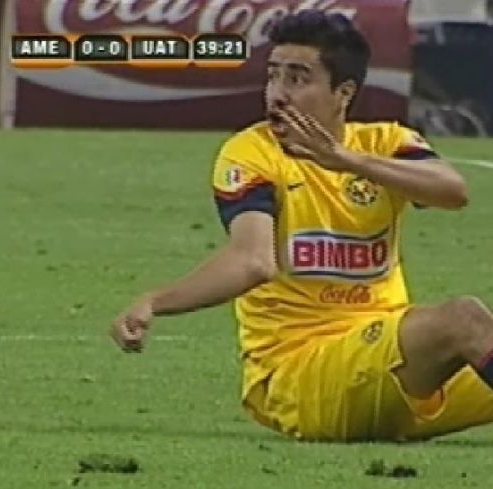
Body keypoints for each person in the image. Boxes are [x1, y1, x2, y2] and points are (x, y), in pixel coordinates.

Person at [111, 10, 493, 442]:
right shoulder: (252, 153)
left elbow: (453, 191)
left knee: (469, 331)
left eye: (297, 78)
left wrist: (345, 160)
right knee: (463, 319)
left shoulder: (384, 142)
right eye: (273, 76)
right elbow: (253, 262)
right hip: (302, 374)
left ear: (343, 93)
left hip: (390, 366)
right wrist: (155, 301)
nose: (277, 93)